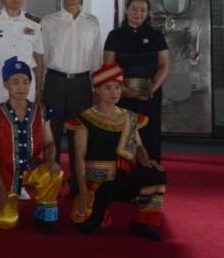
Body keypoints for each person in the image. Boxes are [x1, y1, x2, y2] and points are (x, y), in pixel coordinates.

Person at [65, 63, 167, 240]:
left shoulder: (129, 116)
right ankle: (95, 211)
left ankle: (142, 223)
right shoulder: (85, 119)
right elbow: (79, 157)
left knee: (156, 174)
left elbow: (140, 147)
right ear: (97, 90)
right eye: (108, 88)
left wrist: (146, 161)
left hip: (123, 177)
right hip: (98, 183)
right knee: (87, 228)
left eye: (118, 88)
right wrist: (82, 191)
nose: (114, 92)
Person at [0, 57, 63, 234]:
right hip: (5, 173)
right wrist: (0, 187)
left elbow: (49, 143)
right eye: (16, 82)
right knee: (5, 222)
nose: (21, 87)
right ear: (6, 85)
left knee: (54, 173)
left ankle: (44, 217)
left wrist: (51, 160)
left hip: (30, 169)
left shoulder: (42, 111)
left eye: (25, 82)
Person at [40, 0, 102, 168]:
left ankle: (78, 180)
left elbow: (96, 56)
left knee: (80, 133)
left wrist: (97, 86)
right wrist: (40, 86)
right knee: (52, 132)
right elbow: (41, 56)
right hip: (55, 82)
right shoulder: (48, 21)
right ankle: (52, 179)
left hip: (82, 84)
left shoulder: (92, 22)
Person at [103, 0, 170, 162]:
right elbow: (109, 67)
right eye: (134, 9)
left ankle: (150, 172)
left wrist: (151, 89)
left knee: (150, 133)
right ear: (126, 10)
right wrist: (125, 91)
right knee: (124, 134)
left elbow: (164, 65)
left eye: (143, 10)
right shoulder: (115, 35)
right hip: (121, 94)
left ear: (147, 13)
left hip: (150, 95)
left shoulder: (156, 35)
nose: (138, 14)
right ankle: (124, 174)